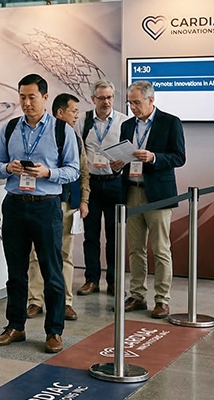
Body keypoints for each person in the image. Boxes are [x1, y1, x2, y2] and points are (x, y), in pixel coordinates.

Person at [0, 74, 79, 354]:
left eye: (32, 97)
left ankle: (54, 331)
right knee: (16, 272)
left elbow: (74, 170)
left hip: (46, 205)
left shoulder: (62, 131)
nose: (26, 103)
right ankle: (15, 326)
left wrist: (48, 172)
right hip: (15, 203)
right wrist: (8, 169)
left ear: (45, 98)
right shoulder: (10, 128)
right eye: (22, 97)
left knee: (52, 271)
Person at [110, 81, 185, 319]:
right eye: (130, 103)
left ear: (151, 100)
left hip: (158, 195)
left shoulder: (170, 122)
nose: (132, 107)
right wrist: (117, 164)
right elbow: (123, 154)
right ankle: (137, 295)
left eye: (137, 102)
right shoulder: (127, 125)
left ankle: (162, 299)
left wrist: (153, 157)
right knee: (135, 249)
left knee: (161, 249)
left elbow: (179, 157)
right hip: (131, 191)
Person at [26, 93, 89, 322]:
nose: (76, 116)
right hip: (42, 203)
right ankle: (35, 300)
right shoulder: (39, 134)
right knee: (35, 254)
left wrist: (84, 200)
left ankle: (66, 302)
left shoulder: (75, 137)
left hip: (68, 204)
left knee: (65, 254)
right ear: (60, 112)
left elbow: (82, 170)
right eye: (73, 111)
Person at [76, 80, 128, 297]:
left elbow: (130, 151)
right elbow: (78, 150)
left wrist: (123, 162)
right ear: (93, 100)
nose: (106, 102)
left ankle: (114, 281)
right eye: (101, 98)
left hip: (116, 182)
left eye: (109, 97)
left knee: (114, 236)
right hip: (92, 185)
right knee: (91, 235)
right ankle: (91, 279)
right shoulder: (84, 121)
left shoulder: (124, 122)